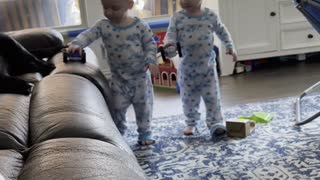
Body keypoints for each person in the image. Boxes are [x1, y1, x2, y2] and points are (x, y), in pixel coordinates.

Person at [68, 0, 159, 145]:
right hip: (119, 80)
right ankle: (120, 132)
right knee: (117, 108)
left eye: (115, 8)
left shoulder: (140, 26)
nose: (109, 12)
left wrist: (151, 60)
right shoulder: (103, 25)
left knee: (143, 107)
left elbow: (150, 44)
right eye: (105, 8)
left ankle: (145, 132)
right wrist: (77, 44)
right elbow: (88, 35)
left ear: (129, 5)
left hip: (140, 79)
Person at [164, 0, 237, 138]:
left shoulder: (210, 15)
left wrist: (229, 46)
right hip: (187, 68)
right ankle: (191, 122)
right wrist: (169, 47)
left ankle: (215, 123)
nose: (184, 1)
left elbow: (222, 31)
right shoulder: (177, 17)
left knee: (212, 97)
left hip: (207, 68)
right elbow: (170, 36)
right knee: (188, 98)